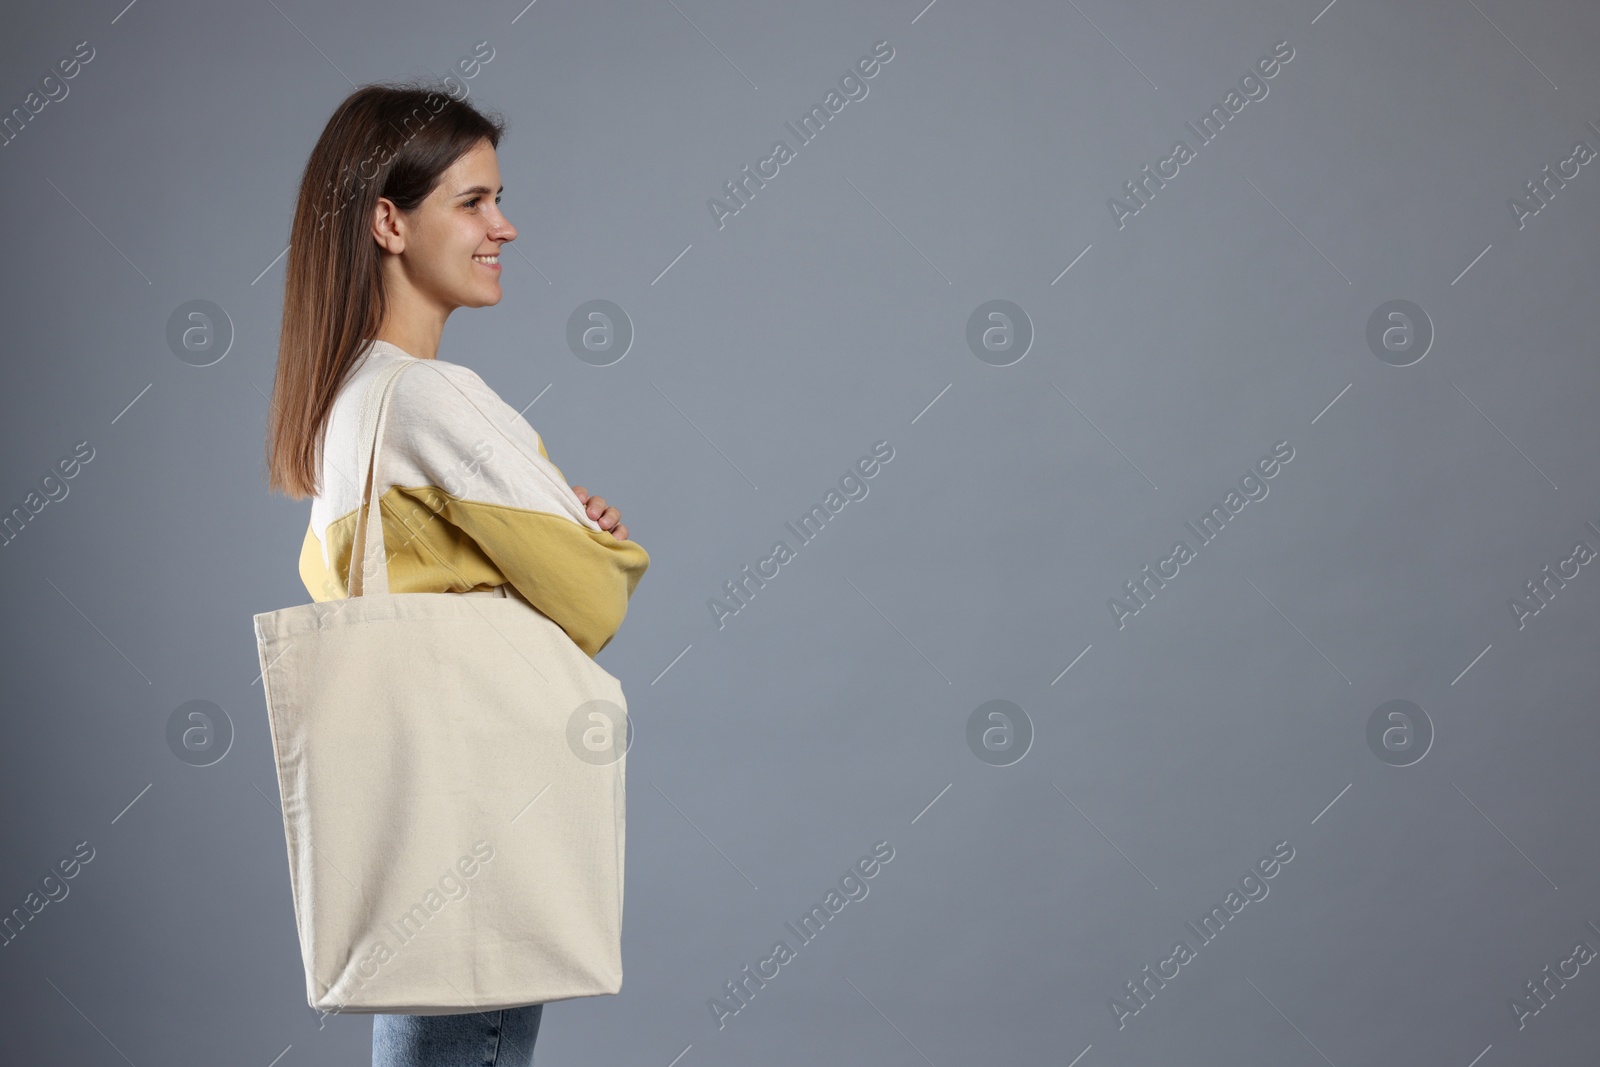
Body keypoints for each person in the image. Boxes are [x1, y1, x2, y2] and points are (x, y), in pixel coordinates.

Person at [263, 81, 650, 1066]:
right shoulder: (432, 396)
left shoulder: (349, 401)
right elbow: (597, 592)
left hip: (418, 824)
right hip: (482, 819)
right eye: (473, 202)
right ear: (389, 222)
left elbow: (362, 582)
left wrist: (547, 539)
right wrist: (588, 536)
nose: (504, 227)